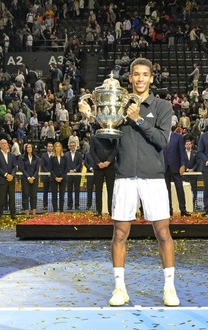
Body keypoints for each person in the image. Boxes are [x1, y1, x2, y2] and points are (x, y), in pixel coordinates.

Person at [79, 57, 180, 307]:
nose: (140, 79)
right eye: (136, 74)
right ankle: (119, 288)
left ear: (151, 78)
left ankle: (169, 288)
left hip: (154, 178)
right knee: (120, 233)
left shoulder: (163, 106)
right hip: (124, 176)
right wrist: (92, 118)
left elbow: (162, 141)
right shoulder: (119, 106)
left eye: (145, 74)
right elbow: (106, 142)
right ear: (131, 78)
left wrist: (139, 119)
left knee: (163, 232)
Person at [163, 118, 189, 216]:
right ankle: (168, 210)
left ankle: (183, 209)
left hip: (176, 167)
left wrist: (183, 165)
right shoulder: (160, 137)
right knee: (166, 190)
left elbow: (182, 152)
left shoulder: (178, 137)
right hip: (164, 168)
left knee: (179, 189)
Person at [89, 134, 116, 215]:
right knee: (98, 190)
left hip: (110, 167)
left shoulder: (113, 135)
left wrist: (108, 161)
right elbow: (92, 151)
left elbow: (115, 150)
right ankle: (98, 210)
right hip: (98, 168)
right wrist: (98, 162)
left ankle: (111, 211)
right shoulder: (94, 137)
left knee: (111, 190)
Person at [0, 138, 19, 219]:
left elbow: (15, 167)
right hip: (2, 180)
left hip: (11, 180)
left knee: (12, 198)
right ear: (0, 145)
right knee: (2, 198)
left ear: (8, 145)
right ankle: (0, 215)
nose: (4, 145)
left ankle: (13, 214)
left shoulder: (12, 155)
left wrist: (12, 175)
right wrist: (6, 175)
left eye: (5, 143)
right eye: (2, 143)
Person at [20, 143, 41, 215]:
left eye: (30, 147)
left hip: (34, 179)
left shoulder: (37, 158)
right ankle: (27, 212)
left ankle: (34, 211)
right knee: (26, 195)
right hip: (25, 179)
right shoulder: (22, 158)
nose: (29, 148)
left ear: (32, 148)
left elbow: (37, 169)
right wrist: (28, 177)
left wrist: (33, 177)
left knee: (34, 195)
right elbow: (22, 168)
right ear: (26, 149)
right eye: (27, 147)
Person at [64, 137, 84, 210]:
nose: (72, 147)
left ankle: (77, 205)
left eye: (73, 145)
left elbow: (80, 164)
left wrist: (75, 170)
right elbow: (65, 164)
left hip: (77, 175)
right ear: (69, 146)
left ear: (76, 146)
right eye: (71, 145)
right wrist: (69, 170)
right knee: (69, 190)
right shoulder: (66, 154)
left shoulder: (79, 154)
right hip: (68, 175)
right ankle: (69, 205)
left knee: (77, 190)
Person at [48, 141, 67, 212]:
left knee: (62, 196)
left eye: (59, 146)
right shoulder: (52, 158)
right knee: (54, 196)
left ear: (61, 147)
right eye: (56, 146)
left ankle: (61, 211)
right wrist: (55, 177)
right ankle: (55, 211)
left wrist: (62, 177)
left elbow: (66, 168)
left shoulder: (65, 157)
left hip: (63, 179)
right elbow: (50, 169)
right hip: (54, 179)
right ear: (54, 148)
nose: (58, 147)